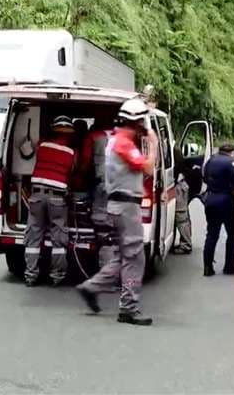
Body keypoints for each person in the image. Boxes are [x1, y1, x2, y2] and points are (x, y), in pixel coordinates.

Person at [77, 98, 158, 326]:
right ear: (137, 122)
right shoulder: (123, 143)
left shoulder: (114, 140)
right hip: (126, 206)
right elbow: (149, 168)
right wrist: (153, 144)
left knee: (124, 256)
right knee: (135, 258)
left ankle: (91, 287)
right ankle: (128, 308)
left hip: (118, 205)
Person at [24, 115, 76, 287]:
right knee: (58, 239)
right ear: (70, 133)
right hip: (57, 198)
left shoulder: (42, 145)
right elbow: (73, 174)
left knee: (33, 236)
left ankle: (30, 275)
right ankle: (57, 276)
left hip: (36, 196)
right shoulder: (71, 152)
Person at [77, 120, 116, 269]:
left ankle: (106, 270)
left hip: (103, 185)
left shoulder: (93, 136)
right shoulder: (122, 137)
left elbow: (85, 163)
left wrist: (80, 179)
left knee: (103, 229)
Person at [202, 143, 234, 276]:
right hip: (226, 202)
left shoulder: (211, 160)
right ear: (232, 152)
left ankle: (208, 267)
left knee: (212, 234)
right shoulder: (230, 162)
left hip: (210, 200)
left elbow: (204, 177)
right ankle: (229, 265)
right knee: (233, 232)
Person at [172, 147, 192, 254]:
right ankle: (186, 242)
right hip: (182, 187)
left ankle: (186, 245)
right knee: (184, 216)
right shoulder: (177, 153)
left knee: (181, 217)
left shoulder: (174, 155)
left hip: (179, 188)